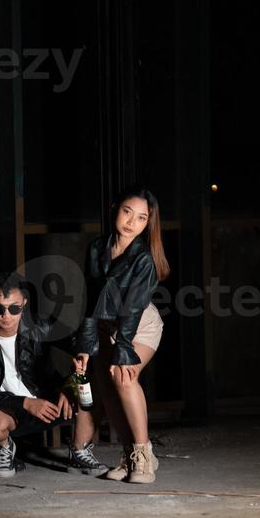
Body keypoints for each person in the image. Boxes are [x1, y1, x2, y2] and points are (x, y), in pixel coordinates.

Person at [71, 184, 170, 484]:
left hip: (138, 325)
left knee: (124, 378)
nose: (132, 222)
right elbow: (90, 298)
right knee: (107, 392)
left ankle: (144, 458)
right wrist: (85, 346)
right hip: (104, 325)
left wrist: (123, 349)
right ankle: (129, 457)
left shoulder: (144, 259)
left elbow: (133, 309)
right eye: (128, 212)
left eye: (141, 218)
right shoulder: (96, 248)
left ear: (147, 224)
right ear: (115, 208)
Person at [0, 271, 74, 479]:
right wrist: (25, 403)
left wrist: (70, 385)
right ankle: (4, 446)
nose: (7, 316)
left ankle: (80, 451)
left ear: (24, 303)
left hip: (49, 404)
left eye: (14, 308)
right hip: (6, 411)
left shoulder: (42, 325)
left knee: (96, 386)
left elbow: (85, 349)